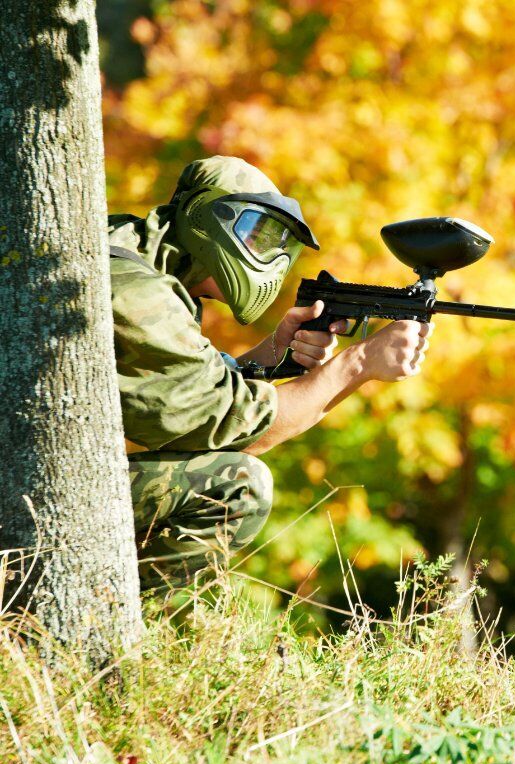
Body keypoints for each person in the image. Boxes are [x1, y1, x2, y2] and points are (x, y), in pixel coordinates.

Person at [109, 156, 432, 589]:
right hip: (25, 492)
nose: (268, 257)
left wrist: (274, 352)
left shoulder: (135, 256)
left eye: (277, 242)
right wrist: (358, 364)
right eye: (253, 233)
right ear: (203, 216)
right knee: (237, 487)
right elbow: (237, 429)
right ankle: (91, 619)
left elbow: (181, 397)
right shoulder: (138, 291)